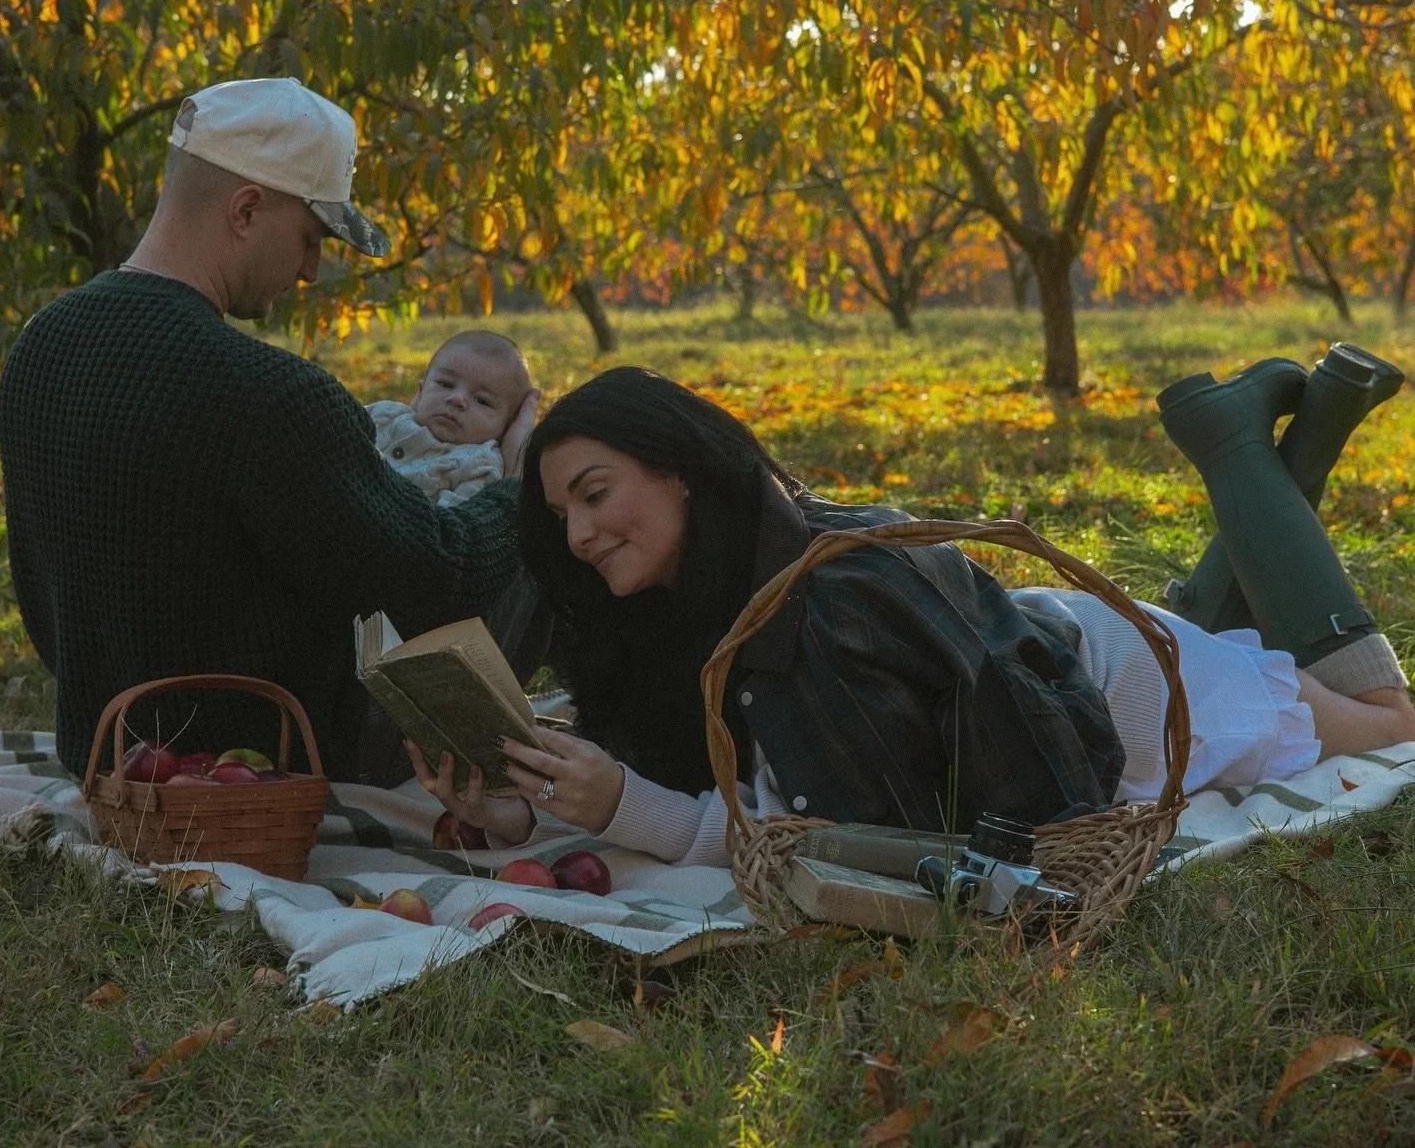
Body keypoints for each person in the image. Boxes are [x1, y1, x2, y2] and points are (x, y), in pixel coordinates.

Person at [409, 362, 1415, 868]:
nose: (578, 535)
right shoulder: (684, 602)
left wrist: (631, 807)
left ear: (682, 474)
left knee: (1389, 724)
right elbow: (717, 775)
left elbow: (856, 839)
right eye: (558, 514)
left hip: (1120, 688)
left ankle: (1243, 442)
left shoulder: (825, 610)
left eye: (595, 494)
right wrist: (517, 803)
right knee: (1234, 631)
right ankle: (1293, 436)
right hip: (1044, 635)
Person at [0, 78, 538, 782]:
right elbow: (443, 577)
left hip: (107, 744)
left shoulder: (39, 346)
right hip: (260, 760)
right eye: (312, 238)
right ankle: (609, 773)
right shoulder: (268, 396)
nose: (312, 270)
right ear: (247, 210)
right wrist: (523, 481)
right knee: (528, 528)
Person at [367, 331, 538, 508]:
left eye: (482, 400)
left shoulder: (480, 466)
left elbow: (451, 526)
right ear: (421, 390)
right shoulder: (384, 414)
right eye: (445, 384)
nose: (457, 399)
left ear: (508, 427)